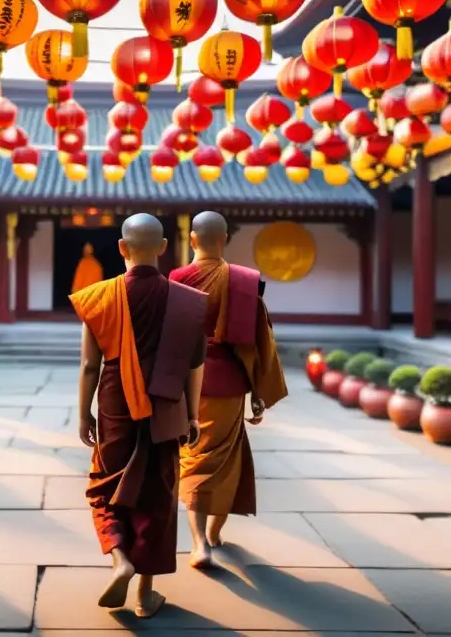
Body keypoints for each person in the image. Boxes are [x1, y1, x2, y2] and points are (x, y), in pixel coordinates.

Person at [70, 213, 207, 618]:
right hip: (167, 407)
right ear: (164, 248)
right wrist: (194, 415)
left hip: (114, 403)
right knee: (156, 494)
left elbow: (88, 367)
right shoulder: (188, 302)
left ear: (121, 248)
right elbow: (193, 366)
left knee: (104, 484)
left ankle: (120, 560)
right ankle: (146, 594)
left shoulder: (100, 297)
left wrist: (83, 413)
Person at [169, 210, 288, 569]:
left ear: (192, 239)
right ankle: (215, 533)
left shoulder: (178, 278)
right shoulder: (242, 281)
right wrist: (259, 391)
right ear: (224, 239)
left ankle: (199, 543)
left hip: (191, 385)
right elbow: (258, 340)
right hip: (232, 383)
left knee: (193, 459)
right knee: (228, 460)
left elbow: (170, 341)